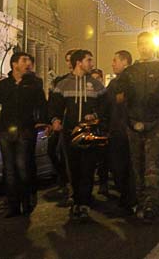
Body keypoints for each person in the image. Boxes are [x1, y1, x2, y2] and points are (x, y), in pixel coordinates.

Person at [114, 32, 159, 222]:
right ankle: (140, 201)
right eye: (141, 44)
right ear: (137, 45)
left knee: (151, 166)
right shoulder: (129, 72)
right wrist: (126, 95)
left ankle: (151, 203)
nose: (144, 47)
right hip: (133, 124)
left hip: (154, 123)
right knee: (136, 166)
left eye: (147, 44)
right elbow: (118, 97)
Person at [0, 52, 47, 217]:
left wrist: (42, 120)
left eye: (30, 61)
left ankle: (26, 201)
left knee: (23, 166)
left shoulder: (33, 85)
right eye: (24, 60)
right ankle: (12, 204)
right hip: (6, 131)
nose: (28, 64)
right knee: (9, 169)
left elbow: (42, 105)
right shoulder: (3, 85)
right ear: (14, 64)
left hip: (26, 131)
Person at [49, 49, 108, 222]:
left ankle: (85, 202)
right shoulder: (63, 84)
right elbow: (54, 106)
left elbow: (106, 106)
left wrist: (96, 116)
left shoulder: (96, 85)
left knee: (88, 168)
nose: (91, 63)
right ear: (78, 63)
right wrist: (55, 120)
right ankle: (76, 200)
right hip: (70, 133)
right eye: (88, 60)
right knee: (74, 168)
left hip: (89, 133)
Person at [106, 50, 136, 213]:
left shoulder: (133, 80)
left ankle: (130, 199)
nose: (112, 63)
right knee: (117, 167)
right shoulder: (113, 83)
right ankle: (126, 196)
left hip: (129, 128)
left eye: (115, 60)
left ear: (125, 61)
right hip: (116, 129)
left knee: (128, 166)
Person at [48, 49, 78, 199]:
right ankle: (64, 179)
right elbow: (54, 102)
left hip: (75, 124)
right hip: (62, 124)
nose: (69, 63)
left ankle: (71, 185)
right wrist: (53, 120)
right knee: (53, 151)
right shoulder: (62, 80)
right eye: (67, 60)